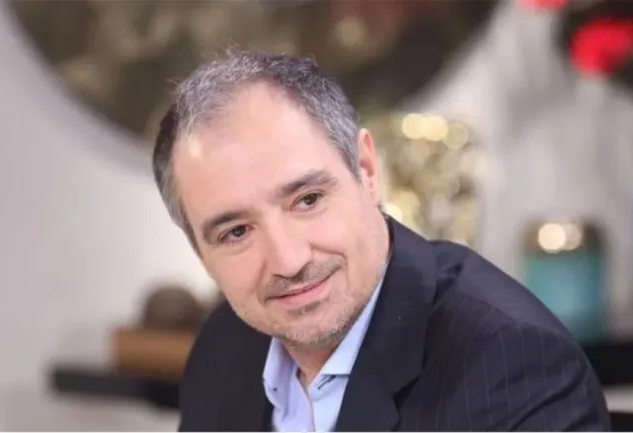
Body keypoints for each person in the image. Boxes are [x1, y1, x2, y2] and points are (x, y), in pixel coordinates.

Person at [152, 49, 610, 431]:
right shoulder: (223, 349)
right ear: (199, 252)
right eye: (236, 232)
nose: (288, 260)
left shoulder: (514, 366)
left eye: (307, 200)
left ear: (367, 171)